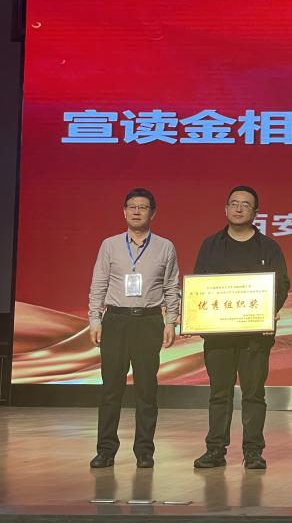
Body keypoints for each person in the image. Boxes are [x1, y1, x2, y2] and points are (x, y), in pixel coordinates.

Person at [192, 185, 290, 470]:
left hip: (255, 337)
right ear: (225, 208)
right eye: (234, 203)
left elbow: (282, 285)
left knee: (254, 394)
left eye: (246, 205)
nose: (239, 208)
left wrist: (268, 312)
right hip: (218, 336)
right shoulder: (210, 245)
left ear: (255, 212)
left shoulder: (269, 247)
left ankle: (253, 451)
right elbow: (199, 285)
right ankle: (215, 450)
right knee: (219, 394)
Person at [88, 188, 180, 469]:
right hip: (115, 321)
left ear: (153, 213)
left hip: (148, 321)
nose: (136, 211)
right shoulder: (110, 245)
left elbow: (172, 287)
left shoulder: (165, 246)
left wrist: (171, 321)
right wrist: (95, 320)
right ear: (124, 211)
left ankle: (144, 451)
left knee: (146, 389)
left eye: (143, 207)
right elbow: (99, 284)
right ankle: (105, 450)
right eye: (131, 206)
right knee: (110, 389)